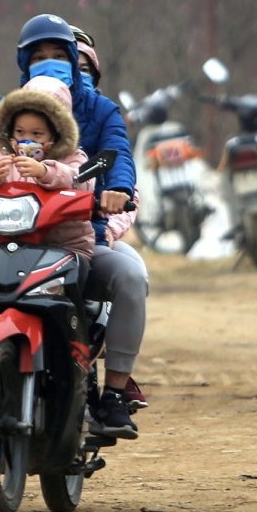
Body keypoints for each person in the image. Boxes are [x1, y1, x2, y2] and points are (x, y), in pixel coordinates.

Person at [0, 13, 146, 440]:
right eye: (38, 56)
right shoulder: (7, 111)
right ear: (24, 64)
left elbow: (117, 160)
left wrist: (115, 194)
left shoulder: (100, 111)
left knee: (131, 276)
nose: (50, 63)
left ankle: (114, 394)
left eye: (58, 55)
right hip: (7, 234)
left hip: (80, 235)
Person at [71, 22, 149, 411]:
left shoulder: (104, 115)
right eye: (47, 58)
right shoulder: (21, 113)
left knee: (133, 275)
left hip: (94, 233)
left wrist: (110, 224)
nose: (70, 69)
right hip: (28, 232)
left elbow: (123, 178)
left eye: (82, 64)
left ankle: (117, 382)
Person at [0, 76, 95, 258]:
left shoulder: (72, 157)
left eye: (37, 134)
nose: (26, 140)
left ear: (55, 134)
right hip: (1, 245)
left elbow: (83, 182)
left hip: (63, 246)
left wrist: (46, 172)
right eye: (20, 132)